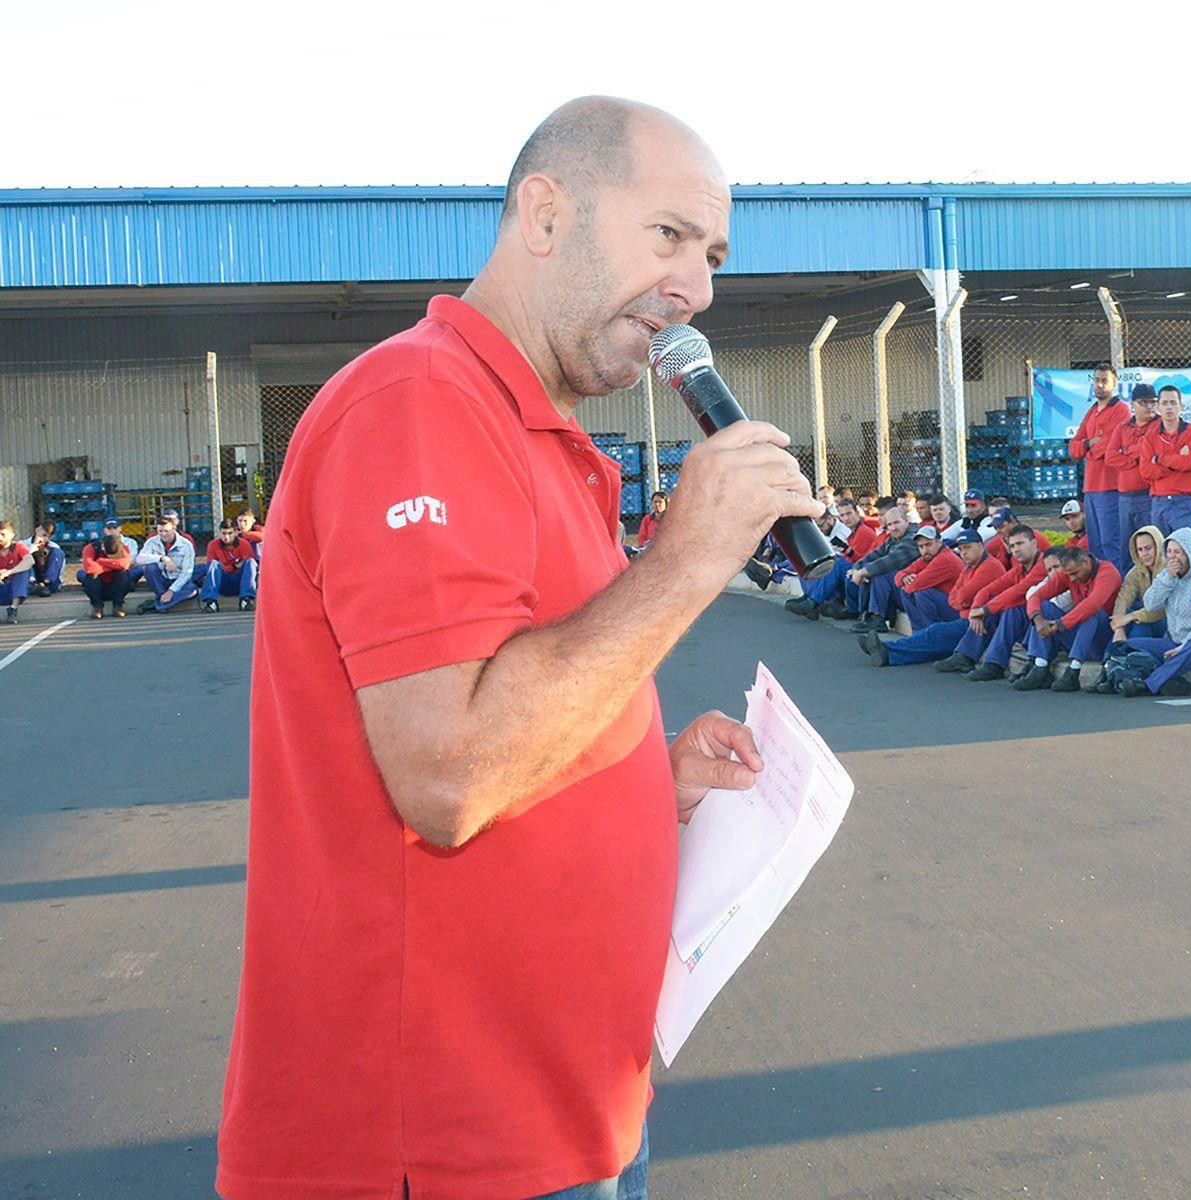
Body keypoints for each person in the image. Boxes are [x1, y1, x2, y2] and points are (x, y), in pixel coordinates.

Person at [216, 98, 823, 1200]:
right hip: (447, 1142)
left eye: (714, 254)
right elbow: (450, 773)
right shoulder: (419, 403)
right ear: (544, 214)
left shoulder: (537, 433)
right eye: (668, 236)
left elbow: (528, 694)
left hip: (566, 1109)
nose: (698, 287)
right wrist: (686, 561)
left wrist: (641, 774)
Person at [862, 529, 1009, 669]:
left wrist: (962, 603)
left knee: (934, 630)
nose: (964, 553)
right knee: (932, 630)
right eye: (962, 549)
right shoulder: (969, 566)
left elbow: (962, 596)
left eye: (967, 548)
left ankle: (888, 650)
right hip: (967, 615)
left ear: (980, 546)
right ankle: (888, 651)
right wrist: (905, 577)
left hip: (979, 621)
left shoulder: (988, 566)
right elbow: (954, 598)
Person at [1108, 527, 1191, 696]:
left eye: (1178, 551)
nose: (1172, 556)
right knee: (1124, 645)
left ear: (1189, 552)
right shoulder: (1167, 576)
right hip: (1173, 642)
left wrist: (1181, 649)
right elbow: (1150, 604)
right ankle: (1109, 677)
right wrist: (1169, 579)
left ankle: (1147, 685)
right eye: (1169, 551)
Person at [1014, 543, 1122, 692]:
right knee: (1045, 608)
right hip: (1080, 636)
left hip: (1103, 638)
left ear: (1085, 562)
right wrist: (1038, 620)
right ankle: (1040, 666)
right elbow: (1035, 597)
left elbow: (1092, 604)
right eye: (1069, 575)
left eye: (1075, 573)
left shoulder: (1107, 572)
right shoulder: (1068, 574)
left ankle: (1073, 670)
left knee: (1092, 613)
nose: (1072, 578)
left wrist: (1059, 624)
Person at [965, 527, 1057, 682]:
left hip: (1048, 621)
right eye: (1012, 546)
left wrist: (984, 609)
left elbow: (1018, 591)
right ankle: (966, 656)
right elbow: (988, 589)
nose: (1016, 550)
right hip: (1031, 621)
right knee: (998, 605)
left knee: (1010, 609)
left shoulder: (1043, 565)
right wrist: (976, 609)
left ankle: (993, 663)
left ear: (1034, 543)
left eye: (1020, 544)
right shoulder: (1020, 569)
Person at [1067, 363, 1129, 566]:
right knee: (1095, 547)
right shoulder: (1092, 411)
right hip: (1090, 489)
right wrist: (1087, 443)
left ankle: (1117, 593)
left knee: (1111, 545)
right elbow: (1073, 448)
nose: (1100, 385)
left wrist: (1089, 447)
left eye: (1104, 381)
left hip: (1109, 488)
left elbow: (1106, 449)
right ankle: (1101, 591)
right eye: (1097, 380)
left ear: (1114, 384)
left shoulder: (1121, 410)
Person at [786, 497, 879, 620]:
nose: (846, 518)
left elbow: (863, 560)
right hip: (850, 574)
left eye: (849, 514)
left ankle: (813, 601)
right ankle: (810, 597)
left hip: (862, 575)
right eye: (842, 515)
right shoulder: (851, 532)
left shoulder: (864, 532)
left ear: (857, 513)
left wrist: (848, 552)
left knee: (836, 563)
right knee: (811, 562)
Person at [1098, 382, 1157, 575]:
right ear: (1132, 404)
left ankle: (1150, 593)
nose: (1149, 406)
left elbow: (1149, 450)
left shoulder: (1159, 426)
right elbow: (1110, 457)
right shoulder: (1122, 428)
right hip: (1124, 498)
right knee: (1127, 548)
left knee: (1149, 549)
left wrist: (1127, 451)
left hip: (1147, 496)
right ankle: (1129, 592)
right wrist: (1136, 457)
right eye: (1143, 402)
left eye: (1153, 402)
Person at [845, 504, 919, 633]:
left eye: (897, 522)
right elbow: (873, 555)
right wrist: (856, 568)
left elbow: (891, 560)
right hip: (900, 588)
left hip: (914, 593)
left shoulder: (914, 537)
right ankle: (868, 614)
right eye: (889, 525)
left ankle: (877, 618)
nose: (893, 528)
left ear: (906, 521)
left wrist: (864, 571)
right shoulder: (893, 538)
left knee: (879, 574)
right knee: (868, 571)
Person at [1141, 385, 1191, 536]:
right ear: (1158, 407)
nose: (1169, 407)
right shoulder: (1150, 436)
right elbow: (1145, 470)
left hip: (1184, 501)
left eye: (1173, 402)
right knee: (1162, 553)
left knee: (1184, 550)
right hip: (1159, 502)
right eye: (1165, 403)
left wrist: (1159, 459)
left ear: (1181, 406)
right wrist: (1177, 461)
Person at [889, 524, 963, 630]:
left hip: (959, 610)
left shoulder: (945, 558)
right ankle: (919, 632)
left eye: (928, 544)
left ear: (939, 542)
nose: (924, 549)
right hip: (948, 604)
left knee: (922, 593)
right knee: (906, 590)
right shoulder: (927, 557)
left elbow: (915, 585)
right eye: (921, 546)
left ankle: (931, 632)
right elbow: (898, 576)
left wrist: (909, 580)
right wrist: (904, 577)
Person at [132, 517, 198, 613]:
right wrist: (162, 559)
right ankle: (163, 601)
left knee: (192, 591)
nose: (163, 534)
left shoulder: (186, 545)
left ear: (174, 529)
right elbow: (139, 559)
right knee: (150, 567)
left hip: (177, 580)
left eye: (166, 531)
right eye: (160, 531)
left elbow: (187, 573)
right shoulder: (152, 541)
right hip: (161, 580)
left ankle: (156, 605)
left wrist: (171, 590)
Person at [201, 519, 261, 613]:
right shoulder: (212, 545)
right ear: (219, 532)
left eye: (230, 533)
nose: (226, 537)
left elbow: (247, 566)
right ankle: (211, 602)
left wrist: (226, 565)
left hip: (240, 583)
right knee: (213, 564)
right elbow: (211, 568)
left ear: (236, 532)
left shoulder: (244, 544)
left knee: (251, 562)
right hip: (222, 583)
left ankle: (246, 599)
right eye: (223, 533)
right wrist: (234, 566)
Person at [79, 522, 135, 619]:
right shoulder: (90, 548)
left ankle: (118, 605)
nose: (112, 557)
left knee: (123, 573)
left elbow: (125, 565)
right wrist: (114, 564)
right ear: (103, 548)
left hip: (116, 586)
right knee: (91, 575)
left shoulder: (124, 548)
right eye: (110, 555)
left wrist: (101, 561)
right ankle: (97, 606)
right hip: (98, 586)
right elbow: (90, 568)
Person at [0, 522, 32, 624]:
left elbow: (30, 561)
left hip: (15, 589)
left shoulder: (18, 547)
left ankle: (13, 609)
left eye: (3, 534)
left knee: (24, 571)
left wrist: (9, 572)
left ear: (12, 535)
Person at [26, 523, 65, 597]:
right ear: (36, 530)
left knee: (57, 552)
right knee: (25, 557)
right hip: (31, 581)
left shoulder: (54, 547)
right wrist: (32, 549)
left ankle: (45, 584)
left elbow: (60, 570)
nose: (43, 539)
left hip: (50, 583)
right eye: (42, 535)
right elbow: (18, 563)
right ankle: (34, 584)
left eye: (47, 536)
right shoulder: (24, 544)